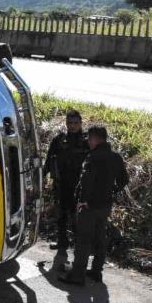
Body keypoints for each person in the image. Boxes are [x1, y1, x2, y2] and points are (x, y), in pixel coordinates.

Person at [60, 126, 128, 286]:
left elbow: (86, 181)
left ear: (97, 139)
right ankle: (96, 272)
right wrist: (112, 191)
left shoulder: (93, 157)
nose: (88, 142)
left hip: (89, 206)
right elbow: (124, 180)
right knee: (99, 238)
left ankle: (77, 275)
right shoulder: (115, 157)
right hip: (105, 205)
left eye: (90, 138)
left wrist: (83, 200)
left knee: (84, 240)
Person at [44, 110, 89, 252]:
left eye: (76, 123)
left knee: (78, 219)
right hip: (61, 184)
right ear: (66, 123)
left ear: (81, 123)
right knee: (61, 216)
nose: (72, 126)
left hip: (79, 187)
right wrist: (42, 177)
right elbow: (49, 160)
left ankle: (80, 247)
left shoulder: (87, 142)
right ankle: (62, 242)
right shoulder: (59, 140)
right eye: (70, 123)